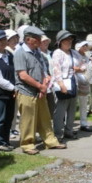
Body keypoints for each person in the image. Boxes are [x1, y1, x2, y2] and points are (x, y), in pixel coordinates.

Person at [13, 25, 66, 155]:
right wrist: (40, 86)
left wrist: (44, 84)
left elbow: (42, 70)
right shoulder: (20, 53)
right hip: (26, 91)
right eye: (36, 38)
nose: (39, 40)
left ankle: (50, 141)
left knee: (45, 118)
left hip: (39, 90)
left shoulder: (37, 52)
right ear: (28, 39)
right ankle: (27, 145)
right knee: (28, 120)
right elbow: (23, 75)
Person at [52, 30, 83, 142]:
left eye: (70, 39)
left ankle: (69, 131)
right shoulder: (57, 53)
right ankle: (58, 133)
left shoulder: (74, 53)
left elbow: (84, 64)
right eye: (66, 39)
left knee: (72, 109)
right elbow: (56, 70)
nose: (69, 41)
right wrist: (61, 85)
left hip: (73, 83)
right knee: (60, 110)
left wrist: (79, 69)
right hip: (62, 84)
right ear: (60, 41)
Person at [75, 41, 92, 132]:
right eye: (83, 46)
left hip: (85, 81)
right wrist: (80, 69)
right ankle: (68, 125)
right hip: (75, 81)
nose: (85, 47)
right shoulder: (74, 55)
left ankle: (83, 123)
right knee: (72, 104)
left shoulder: (87, 57)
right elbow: (72, 68)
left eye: (86, 46)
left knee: (84, 103)